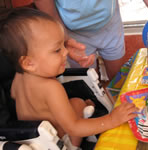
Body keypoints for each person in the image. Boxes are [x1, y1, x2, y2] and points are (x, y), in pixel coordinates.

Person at [0, 8, 138, 149]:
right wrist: (111, 119)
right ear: (29, 63)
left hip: (33, 140)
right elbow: (74, 128)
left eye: (63, 45)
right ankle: (75, 144)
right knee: (78, 104)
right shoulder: (51, 88)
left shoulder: (18, 77)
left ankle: (84, 109)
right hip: (60, 142)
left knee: (75, 103)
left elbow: (18, 98)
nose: (65, 52)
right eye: (57, 50)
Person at [34, 0, 148, 80]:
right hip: (71, 32)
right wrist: (63, 38)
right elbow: (47, 8)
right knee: (89, 82)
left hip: (109, 24)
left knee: (118, 79)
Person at [34, 0, 126, 80]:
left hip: (110, 24)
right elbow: (44, 4)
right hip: (72, 34)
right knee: (91, 81)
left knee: (117, 77)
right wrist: (65, 38)